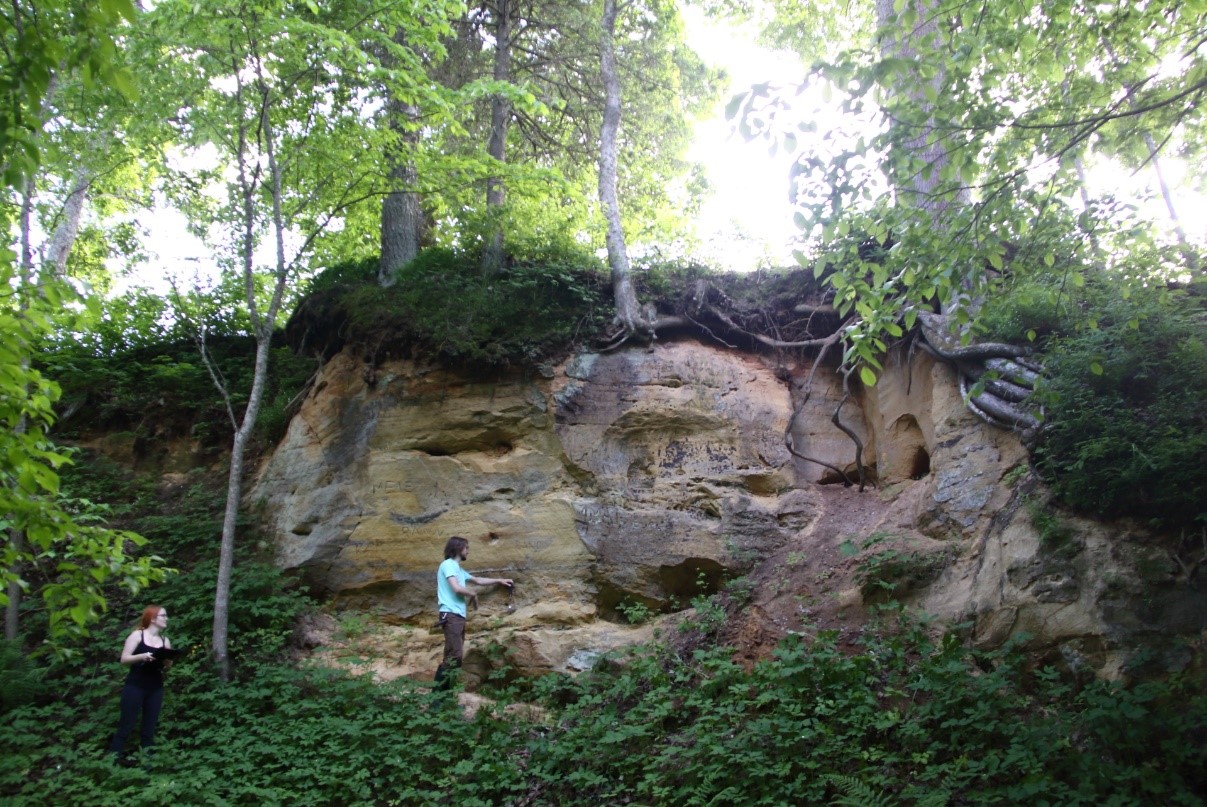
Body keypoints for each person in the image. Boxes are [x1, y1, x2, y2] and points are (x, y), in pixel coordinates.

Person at [434, 536, 512, 689]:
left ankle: (444, 699)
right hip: (450, 615)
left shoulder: (458, 569)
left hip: (457, 616)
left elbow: (477, 580)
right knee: (454, 656)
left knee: (454, 658)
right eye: (466, 548)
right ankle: (437, 700)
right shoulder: (448, 565)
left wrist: (499, 580)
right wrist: (473, 594)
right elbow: (456, 588)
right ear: (458, 548)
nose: (468, 552)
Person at [110, 605, 173, 765]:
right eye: (163, 616)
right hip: (135, 686)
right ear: (152, 618)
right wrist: (143, 656)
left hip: (155, 687)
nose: (166, 618)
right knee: (126, 724)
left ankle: (147, 766)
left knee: (149, 728)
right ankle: (112, 763)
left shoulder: (165, 641)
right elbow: (124, 659)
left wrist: (167, 661)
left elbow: (168, 666)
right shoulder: (138, 636)